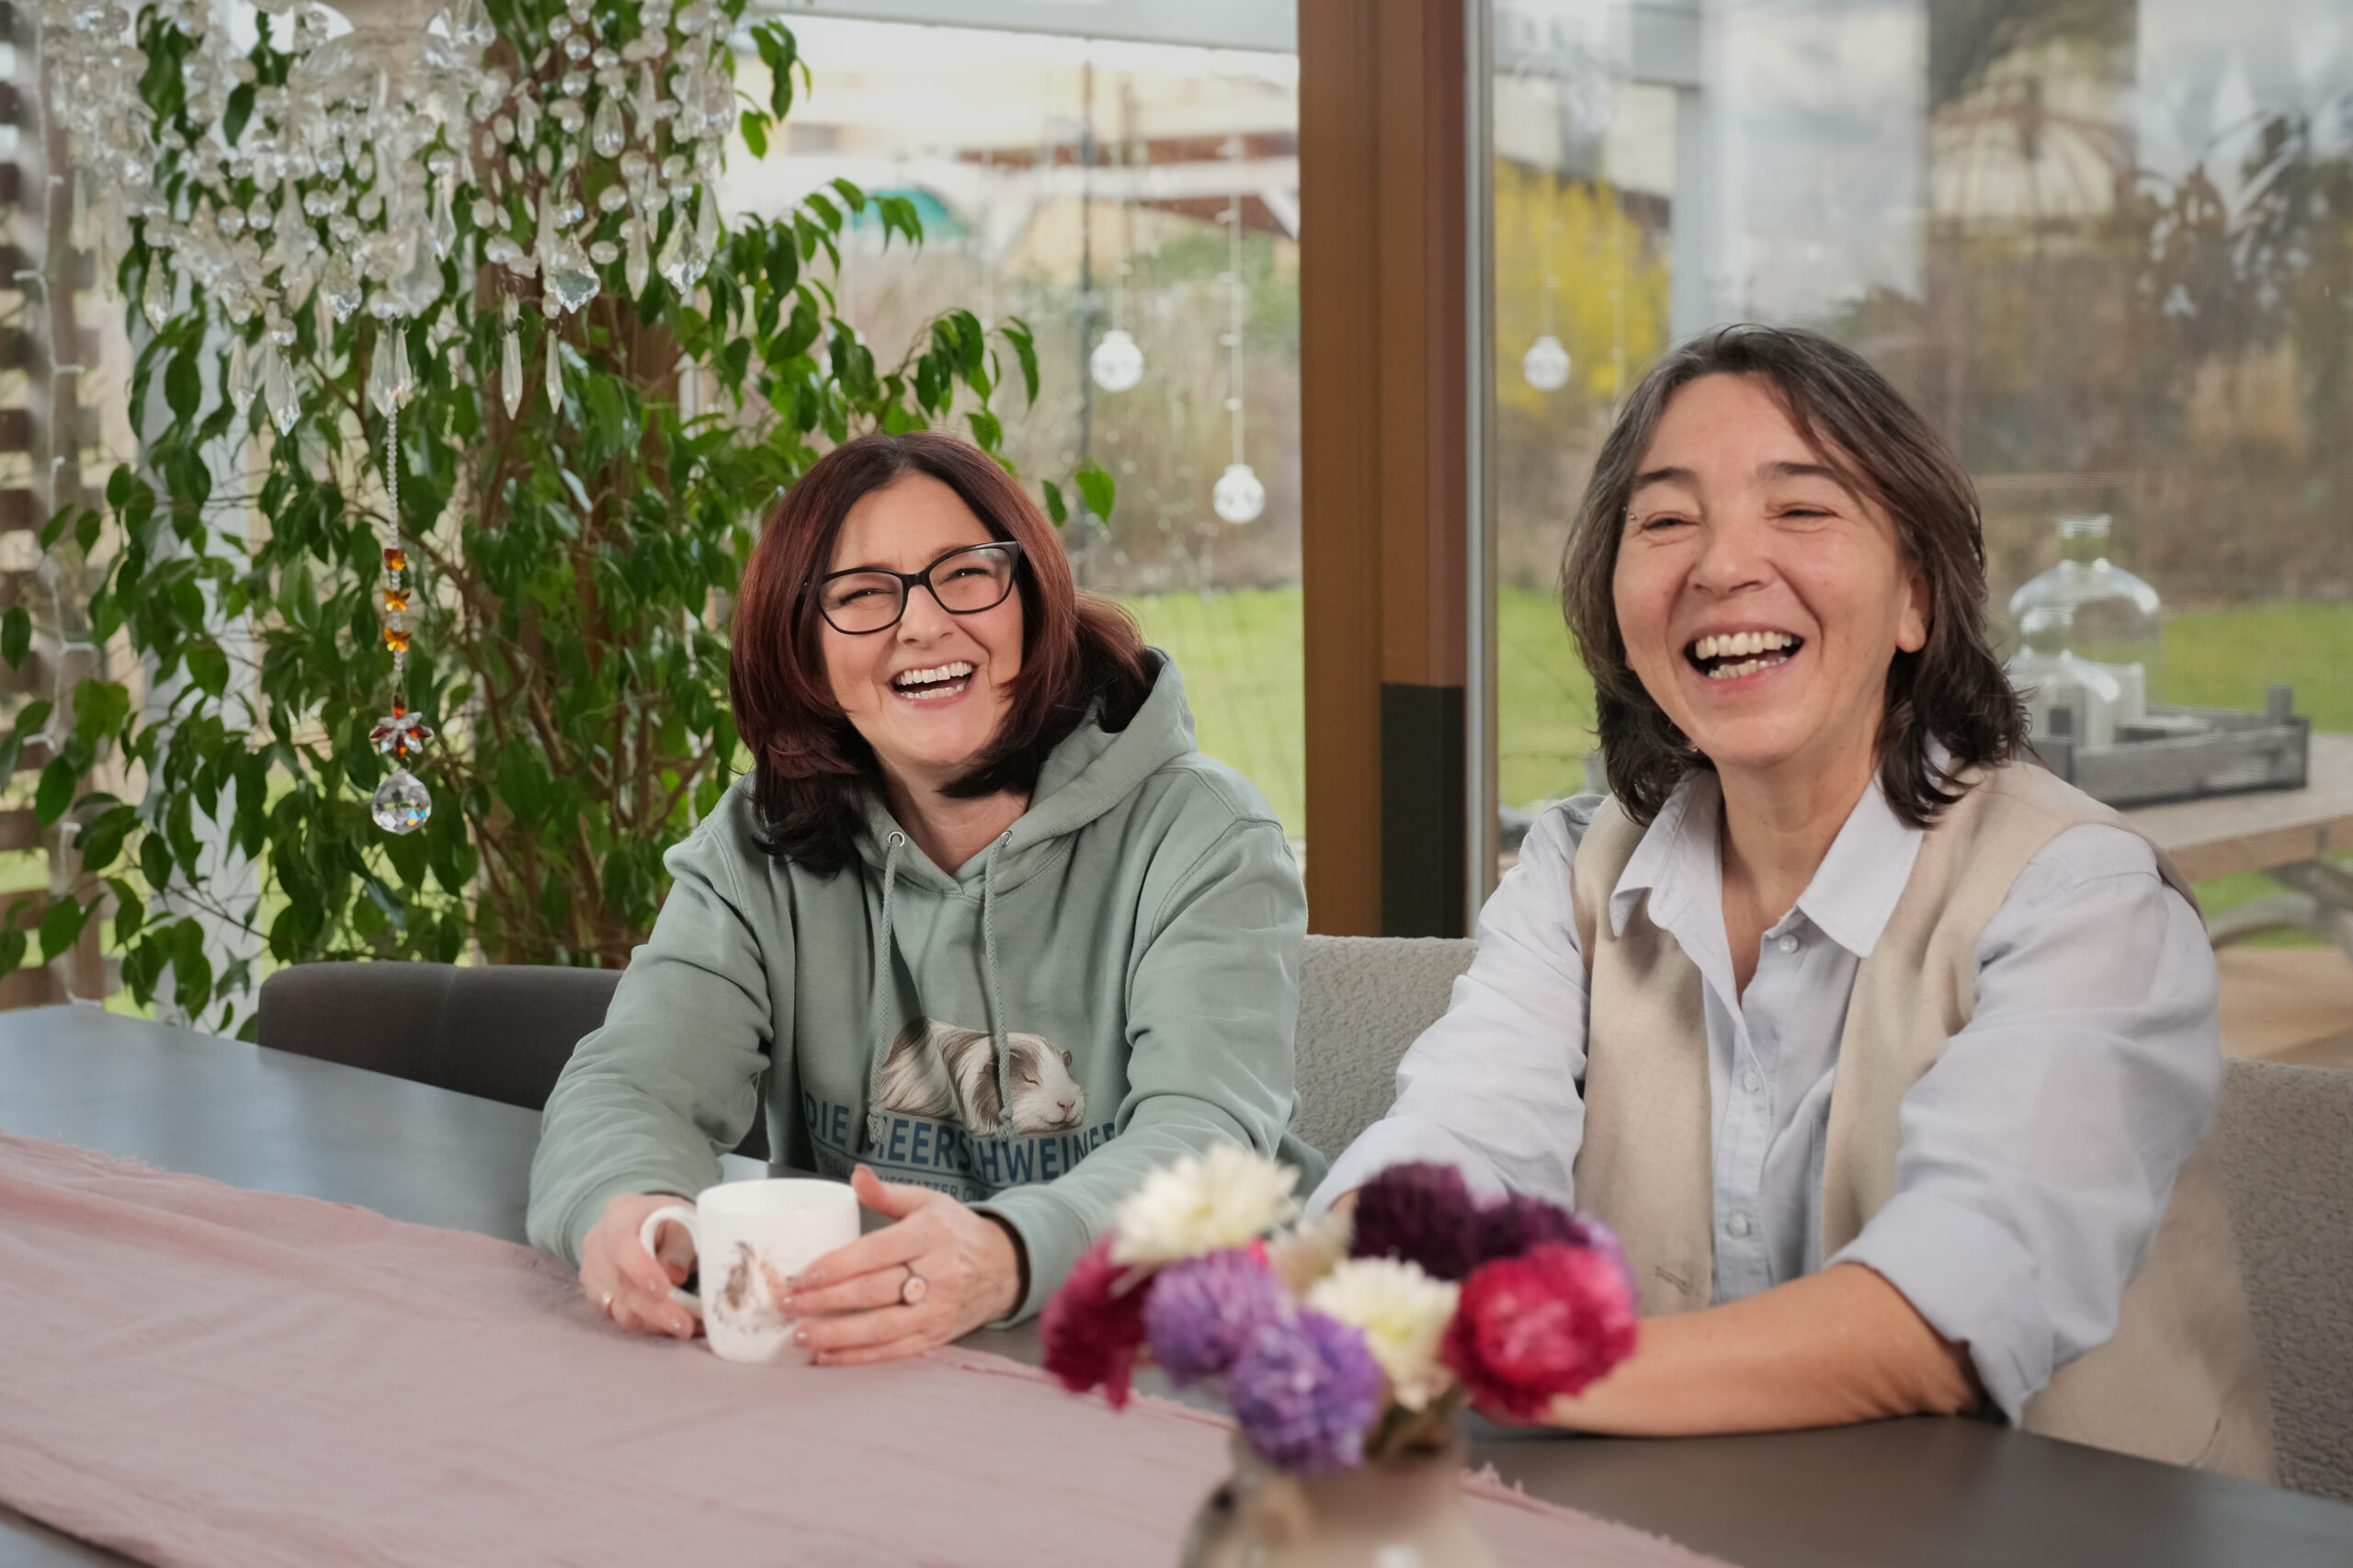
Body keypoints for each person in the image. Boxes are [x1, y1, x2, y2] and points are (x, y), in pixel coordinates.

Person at [1312, 324, 2271, 1478]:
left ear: (1916, 596)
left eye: (1800, 510)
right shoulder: (1575, 873)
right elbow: (1454, 1137)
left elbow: (1946, 1311)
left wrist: (1509, 1361)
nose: (1720, 567)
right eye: (1666, 520)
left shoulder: (2081, 898)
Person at [529, 430, 1322, 1364]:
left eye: (965, 574)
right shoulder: (760, 840)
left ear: (1029, 597)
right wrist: (628, 1204)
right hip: (867, 1364)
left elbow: (1207, 1142)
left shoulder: (1203, 834)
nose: (922, 623)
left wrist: (1008, 1253)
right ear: (803, 647)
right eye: (863, 594)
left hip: (1160, 1360)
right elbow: (634, 1081)